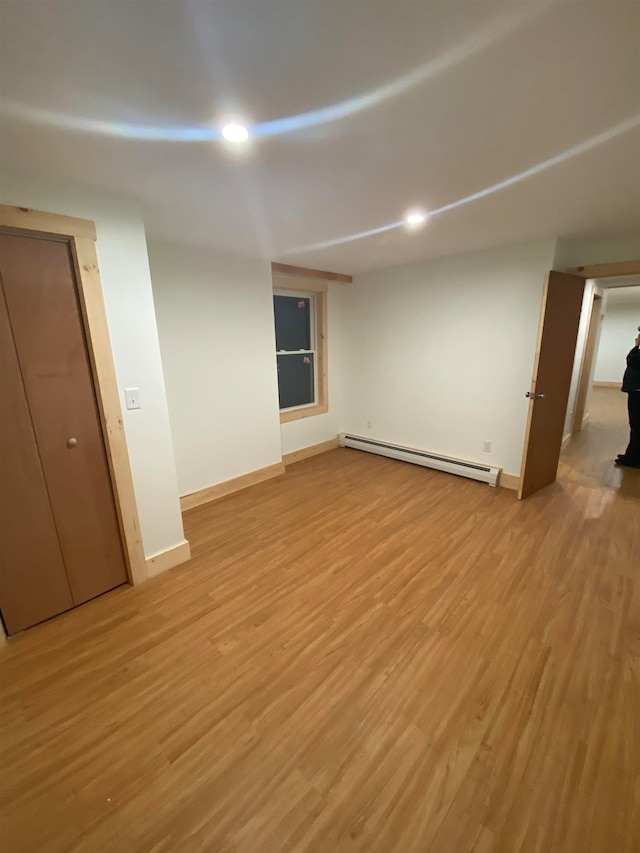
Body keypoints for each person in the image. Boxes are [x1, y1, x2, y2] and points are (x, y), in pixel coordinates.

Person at [615, 325, 640, 468]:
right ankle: (632, 455)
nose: (637, 337)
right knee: (636, 426)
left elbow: (632, 361)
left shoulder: (637, 354)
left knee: (636, 425)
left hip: (638, 393)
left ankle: (633, 459)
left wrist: (636, 346)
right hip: (636, 391)